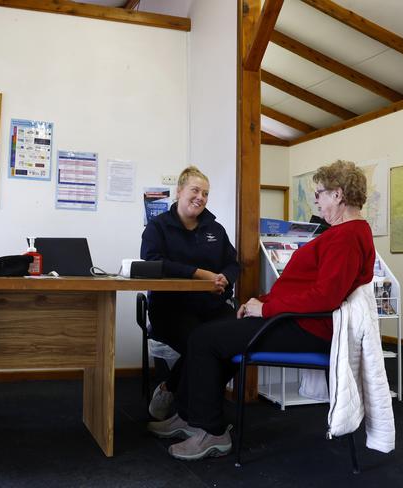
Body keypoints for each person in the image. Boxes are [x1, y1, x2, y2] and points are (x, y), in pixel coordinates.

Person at [147, 160, 376, 461]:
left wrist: (266, 308)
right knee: (207, 337)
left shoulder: (346, 236)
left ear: (339, 195)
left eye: (319, 193)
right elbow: (311, 290)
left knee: (204, 340)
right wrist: (261, 304)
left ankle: (212, 431)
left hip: (305, 326)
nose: (316, 200)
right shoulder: (343, 233)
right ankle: (191, 418)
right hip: (292, 319)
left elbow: (325, 297)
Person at [140, 165, 240, 420]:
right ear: (179, 191)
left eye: (205, 193)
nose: (201, 198)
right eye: (195, 190)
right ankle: (189, 404)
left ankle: (175, 389)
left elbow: (232, 263)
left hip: (211, 306)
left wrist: (225, 277)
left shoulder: (215, 229)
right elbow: (152, 262)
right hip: (171, 308)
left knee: (239, 340)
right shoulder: (157, 227)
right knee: (203, 344)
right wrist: (199, 273)